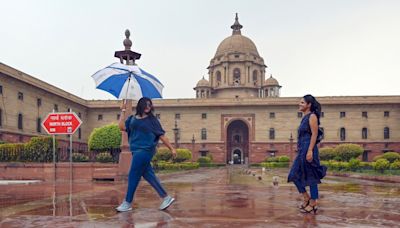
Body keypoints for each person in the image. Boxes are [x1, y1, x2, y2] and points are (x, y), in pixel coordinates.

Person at [116, 97, 176, 212]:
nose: (148, 107)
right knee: (148, 174)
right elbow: (122, 127)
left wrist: (171, 148)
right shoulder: (133, 118)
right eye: (146, 105)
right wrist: (122, 111)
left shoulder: (152, 120)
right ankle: (166, 197)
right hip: (135, 150)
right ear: (141, 105)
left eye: (150, 105)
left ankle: (127, 202)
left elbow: (161, 135)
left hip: (145, 150)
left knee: (133, 175)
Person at [288, 94, 327, 214]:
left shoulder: (312, 116)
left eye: (302, 103)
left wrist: (310, 150)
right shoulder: (304, 117)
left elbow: (314, 135)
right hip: (302, 149)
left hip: (309, 148)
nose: (299, 104)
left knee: (311, 176)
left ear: (309, 105)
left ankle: (314, 202)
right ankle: (306, 198)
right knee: (293, 174)